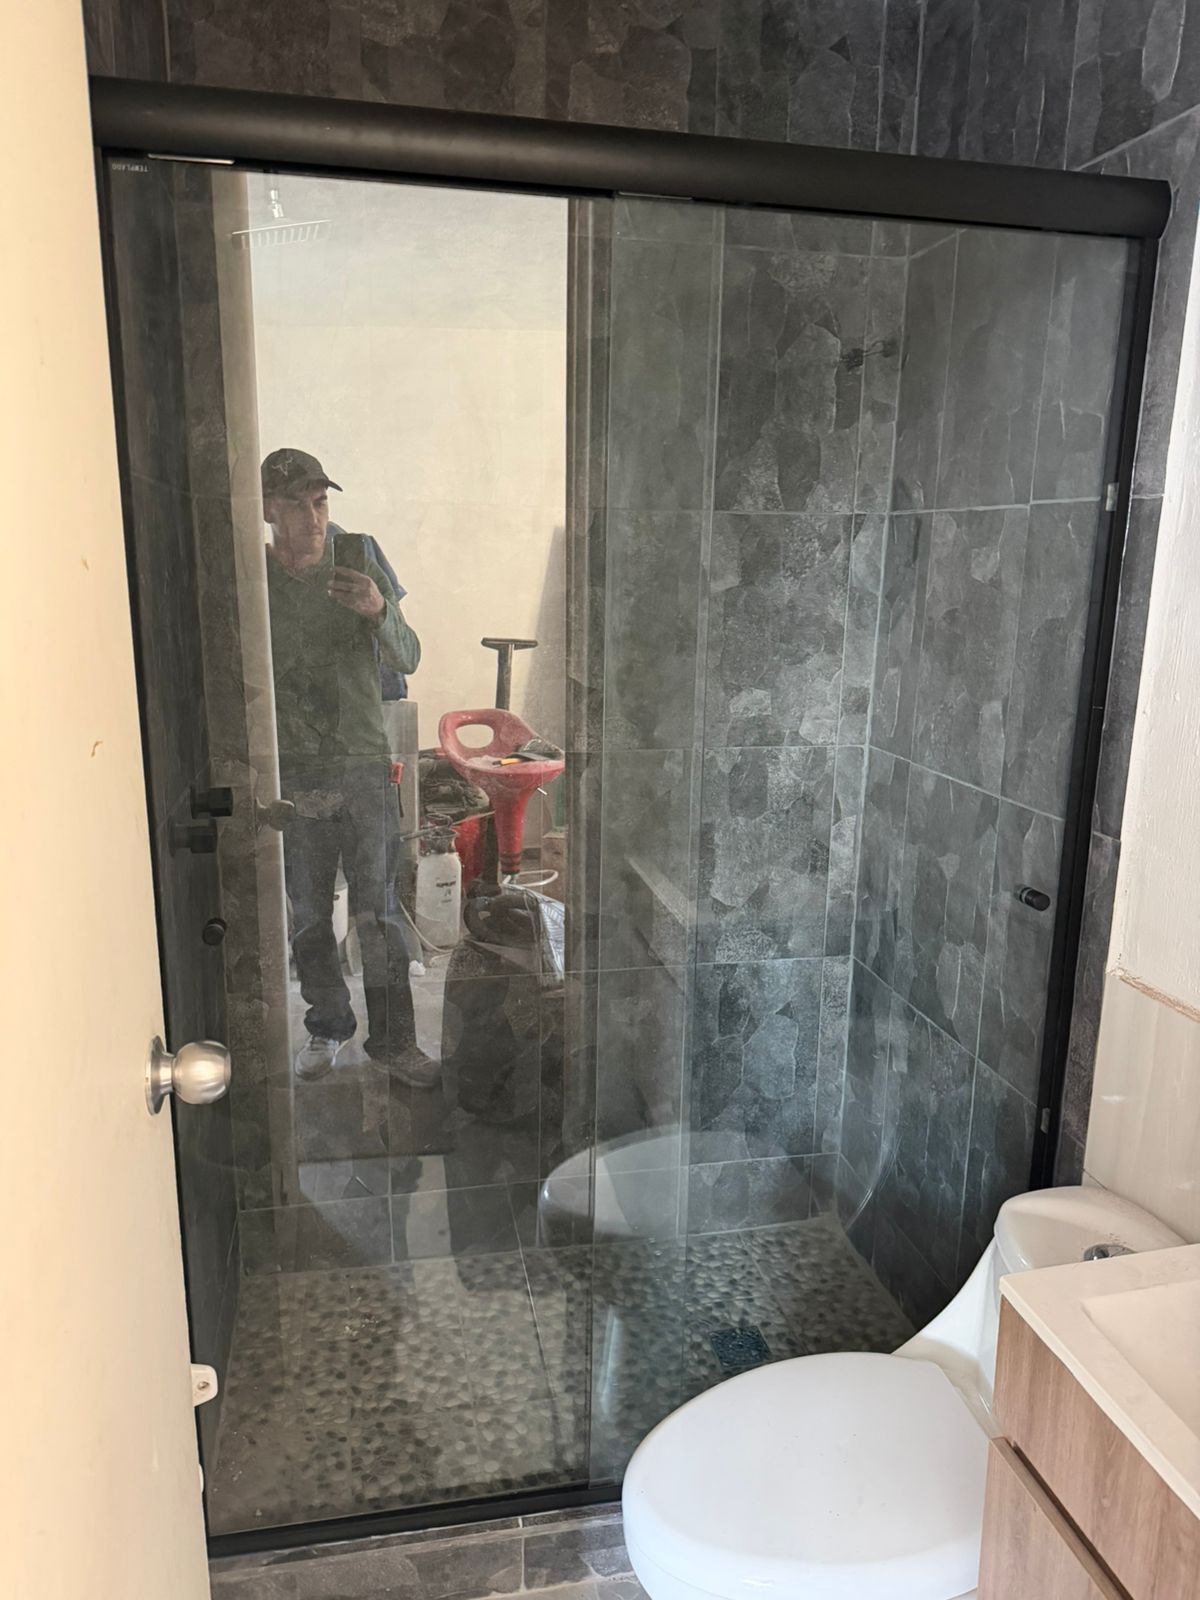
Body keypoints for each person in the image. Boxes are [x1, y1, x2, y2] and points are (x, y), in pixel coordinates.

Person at [261, 447, 434, 1086]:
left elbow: (409, 656)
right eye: (297, 505)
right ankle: (328, 1024)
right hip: (293, 770)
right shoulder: (255, 576)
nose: (314, 519)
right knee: (308, 913)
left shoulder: (358, 556)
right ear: (268, 510)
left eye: (320, 503)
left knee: (378, 913)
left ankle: (395, 1042)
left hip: (363, 765)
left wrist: (379, 612)